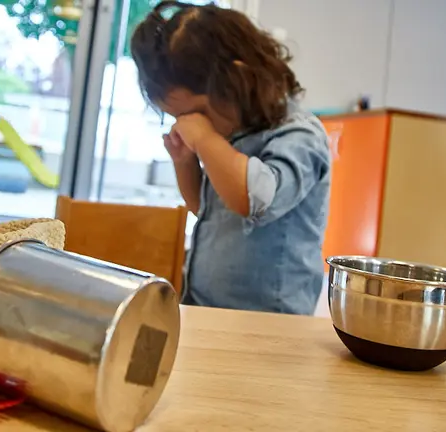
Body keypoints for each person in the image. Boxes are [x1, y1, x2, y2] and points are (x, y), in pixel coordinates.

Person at [130, 1, 331, 315]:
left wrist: (206, 140)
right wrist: (185, 162)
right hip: (206, 306)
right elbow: (206, 208)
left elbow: (255, 200)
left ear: (237, 80)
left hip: (270, 322)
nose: (188, 125)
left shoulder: (298, 136)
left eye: (194, 113)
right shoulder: (228, 139)